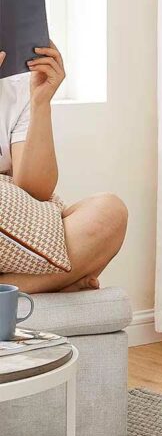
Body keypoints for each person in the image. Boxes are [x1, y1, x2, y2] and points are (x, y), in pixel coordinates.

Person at [0, 42, 127, 293]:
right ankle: (64, 280)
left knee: (109, 212)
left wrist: (40, 101)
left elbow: (35, 191)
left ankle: (13, 287)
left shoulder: (18, 84)